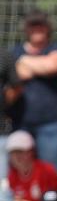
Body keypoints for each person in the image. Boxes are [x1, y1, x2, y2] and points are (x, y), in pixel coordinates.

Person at [10, 10, 57, 175]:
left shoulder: (56, 47)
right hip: (20, 123)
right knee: (21, 173)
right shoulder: (15, 50)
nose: (37, 29)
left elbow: (52, 65)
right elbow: (20, 74)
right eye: (33, 25)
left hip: (52, 123)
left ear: (47, 27)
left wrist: (24, 60)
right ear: (26, 29)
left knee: (52, 172)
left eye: (40, 25)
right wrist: (39, 65)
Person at [7, 130, 57, 201]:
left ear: (31, 152)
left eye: (20, 152)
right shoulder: (12, 176)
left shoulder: (46, 171)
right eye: (13, 153)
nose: (16, 157)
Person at [0, 48, 22, 183]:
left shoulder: (4, 55)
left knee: (2, 180)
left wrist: (3, 105)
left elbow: (16, 86)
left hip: (1, 127)